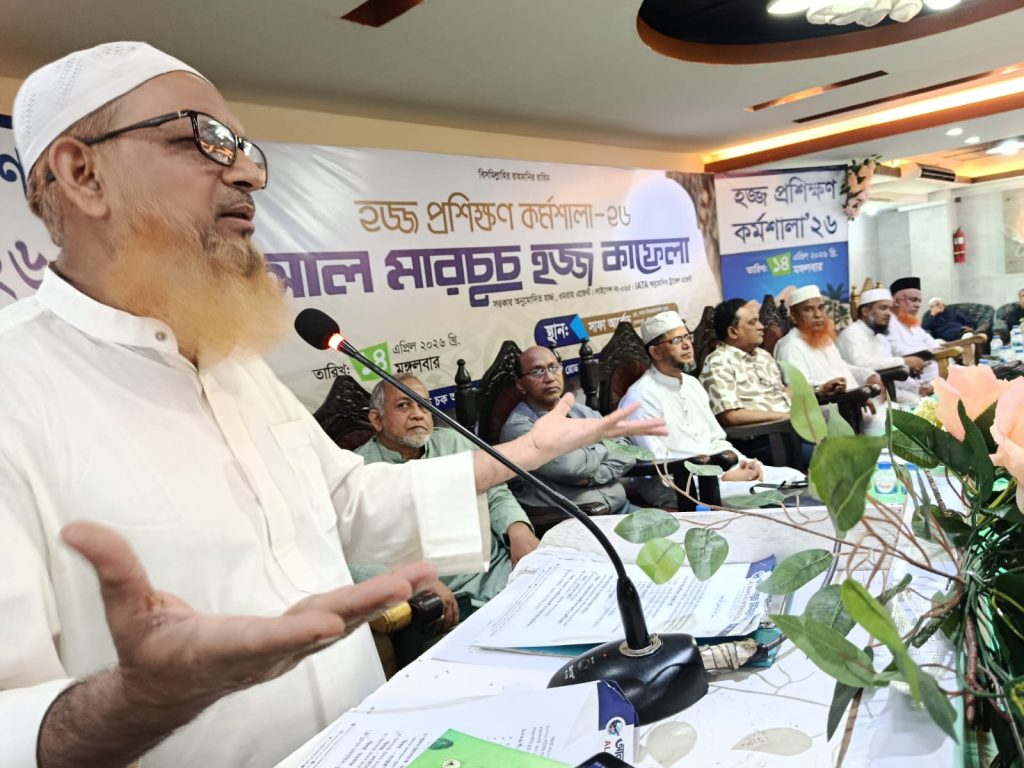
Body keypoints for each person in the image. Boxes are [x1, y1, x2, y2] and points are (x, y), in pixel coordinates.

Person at [0, 42, 665, 767]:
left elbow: (346, 503)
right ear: (82, 173)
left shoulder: (232, 363)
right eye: (205, 138)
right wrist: (143, 701)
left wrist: (521, 453)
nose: (250, 172)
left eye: (246, 147)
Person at [355, 375, 539, 628]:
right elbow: (352, 558)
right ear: (377, 420)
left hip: (504, 571)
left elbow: (495, 493)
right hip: (444, 602)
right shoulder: (359, 472)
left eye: (424, 405)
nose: (418, 414)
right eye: (404, 405)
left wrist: (517, 529)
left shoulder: (453, 442)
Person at [619, 311, 803, 507]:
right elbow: (660, 466)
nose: (687, 345)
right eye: (676, 340)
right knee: (768, 493)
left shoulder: (692, 384)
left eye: (687, 337)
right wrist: (724, 477)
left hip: (721, 473)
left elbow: (716, 440)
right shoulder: (641, 397)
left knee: (795, 478)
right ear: (656, 352)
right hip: (683, 486)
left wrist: (743, 464)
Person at [499, 346, 638, 516]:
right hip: (577, 520)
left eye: (553, 367)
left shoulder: (580, 410)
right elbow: (573, 468)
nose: (550, 378)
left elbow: (627, 449)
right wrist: (603, 445)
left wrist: (594, 475)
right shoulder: (520, 428)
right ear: (521, 385)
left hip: (623, 508)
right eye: (537, 372)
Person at [698, 298, 808, 468]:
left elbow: (777, 393)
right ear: (733, 332)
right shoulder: (718, 362)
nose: (761, 326)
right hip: (762, 440)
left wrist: (816, 390)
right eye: (752, 322)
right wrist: (783, 417)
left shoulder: (763, 356)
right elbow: (730, 416)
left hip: (790, 430)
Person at [773, 285, 885, 433]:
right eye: (809, 309)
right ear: (794, 316)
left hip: (853, 408)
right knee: (892, 426)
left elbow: (842, 367)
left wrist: (868, 375)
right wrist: (855, 397)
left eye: (821, 308)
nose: (818, 315)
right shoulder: (790, 346)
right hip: (827, 417)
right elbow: (798, 390)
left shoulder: (823, 339)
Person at [837, 287, 932, 405]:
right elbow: (862, 364)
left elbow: (892, 372)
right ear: (865, 311)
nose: (888, 313)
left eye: (889, 309)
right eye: (883, 308)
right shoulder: (852, 333)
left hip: (886, 392)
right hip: (860, 397)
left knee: (921, 403)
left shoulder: (880, 338)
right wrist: (904, 361)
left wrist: (917, 388)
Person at [888, 276, 957, 373]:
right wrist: (930, 351)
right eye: (913, 300)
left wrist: (935, 350)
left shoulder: (912, 324)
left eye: (919, 301)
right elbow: (898, 351)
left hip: (933, 367)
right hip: (912, 374)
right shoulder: (888, 323)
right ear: (896, 301)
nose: (918, 305)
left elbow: (930, 341)